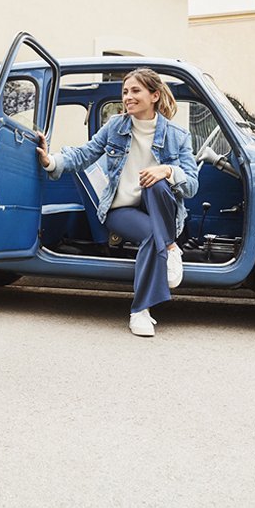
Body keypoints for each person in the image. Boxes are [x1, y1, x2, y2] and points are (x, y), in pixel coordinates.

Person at [36, 69, 198, 337]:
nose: (128, 97)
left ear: (154, 95)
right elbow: (85, 154)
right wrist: (51, 161)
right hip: (121, 209)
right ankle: (144, 303)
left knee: (157, 183)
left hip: (161, 209)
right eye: (125, 92)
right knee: (152, 235)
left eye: (135, 91)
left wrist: (168, 171)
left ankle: (166, 248)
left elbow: (191, 185)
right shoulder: (115, 126)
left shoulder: (177, 135)